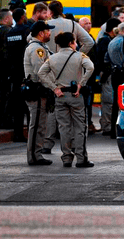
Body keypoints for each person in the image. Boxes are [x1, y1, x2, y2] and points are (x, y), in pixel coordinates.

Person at [38, 32, 95, 168]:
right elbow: (90, 67)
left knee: (64, 128)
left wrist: (53, 88)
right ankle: (81, 158)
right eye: (75, 42)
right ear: (71, 43)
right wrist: (81, 83)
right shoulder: (79, 56)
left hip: (60, 96)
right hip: (75, 95)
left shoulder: (52, 58)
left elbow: (41, 73)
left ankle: (67, 158)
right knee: (80, 127)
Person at [24, 21, 55, 165]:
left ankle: (37, 154)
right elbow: (41, 72)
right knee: (36, 125)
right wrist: (53, 86)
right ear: (41, 33)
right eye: (48, 31)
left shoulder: (41, 47)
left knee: (40, 125)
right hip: (37, 91)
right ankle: (34, 156)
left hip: (41, 91)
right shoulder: (37, 49)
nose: (50, 33)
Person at [4, 8, 30, 141]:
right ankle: (31, 135)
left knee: (17, 105)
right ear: (22, 16)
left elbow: (7, 53)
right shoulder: (26, 30)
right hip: (25, 72)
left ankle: (17, 133)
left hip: (14, 72)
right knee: (29, 105)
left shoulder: (10, 33)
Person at [105, 22, 124, 138]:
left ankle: (112, 131)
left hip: (114, 72)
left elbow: (106, 58)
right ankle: (121, 129)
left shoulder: (112, 41)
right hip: (122, 73)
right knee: (123, 101)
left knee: (116, 101)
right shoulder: (122, 42)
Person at [96, 18, 121, 136]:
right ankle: (106, 126)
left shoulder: (107, 40)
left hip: (108, 73)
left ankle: (109, 125)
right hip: (107, 74)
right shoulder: (105, 41)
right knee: (108, 101)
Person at [78, 17, 98, 134]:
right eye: (86, 23)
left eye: (90, 23)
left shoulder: (91, 38)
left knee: (89, 102)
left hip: (90, 76)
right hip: (81, 75)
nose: (89, 25)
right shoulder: (79, 39)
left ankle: (88, 122)